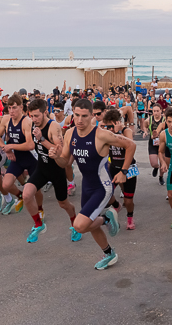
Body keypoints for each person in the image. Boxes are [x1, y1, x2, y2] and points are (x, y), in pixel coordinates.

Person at [49, 99, 136, 270]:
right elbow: (65, 163)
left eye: (84, 116)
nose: (79, 120)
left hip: (102, 187)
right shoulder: (70, 134)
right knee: (89, 224)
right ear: (72, 114)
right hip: (87, 187)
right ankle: (109, 253)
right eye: (76, 115)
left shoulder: (101, 135)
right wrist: (55, 157)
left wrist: (124, 171)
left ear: (91, 117)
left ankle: (106, 218)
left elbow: (130, 145)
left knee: (80, 225)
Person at [23, 99, 82, 243]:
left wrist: (41, 138)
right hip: (42, 167)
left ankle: (75, 223)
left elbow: (59, 151)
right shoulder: (32, 124)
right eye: (32, 115)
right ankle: (39, 224)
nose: (34, 119)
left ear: (45, 113)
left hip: (56, 170)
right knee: (26, 195)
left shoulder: (53, 126)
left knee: (64, 204)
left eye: (37, 116)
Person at [0, 94, 40, 216]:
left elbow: (30, 145)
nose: (11, 111)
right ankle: (20, 196)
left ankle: (40, 208)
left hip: (32, 159)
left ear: (21, 107)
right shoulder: (6, 119)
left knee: (37, 190)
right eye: (9, 107)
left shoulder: (27, 121)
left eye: (14, 107)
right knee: (5, 184)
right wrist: (6, 149)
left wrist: (11, 146)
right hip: (17, 158)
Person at [103, 109, 139, 230]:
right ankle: (116, 205)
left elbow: (130, 144)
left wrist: (118, 132)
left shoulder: (126, 131)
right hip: (113, 167)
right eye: (107, 126)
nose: (109, 129)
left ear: (117, 122)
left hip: (128, 169)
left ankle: (130, 217)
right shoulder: (107, 133)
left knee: (128, 200)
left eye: (110, 126)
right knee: (106, 193)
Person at [143, 104, 165, 185]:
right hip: (152, 142)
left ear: (161, 111)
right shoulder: (149, 119)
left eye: (157, 111)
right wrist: (145, 132)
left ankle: (161, 177)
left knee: (163, 162)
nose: (156, 113)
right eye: (154, 111)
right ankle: (156, 167)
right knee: (154, 163)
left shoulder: (164, 120)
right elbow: (144, 126)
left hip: (162, 143)